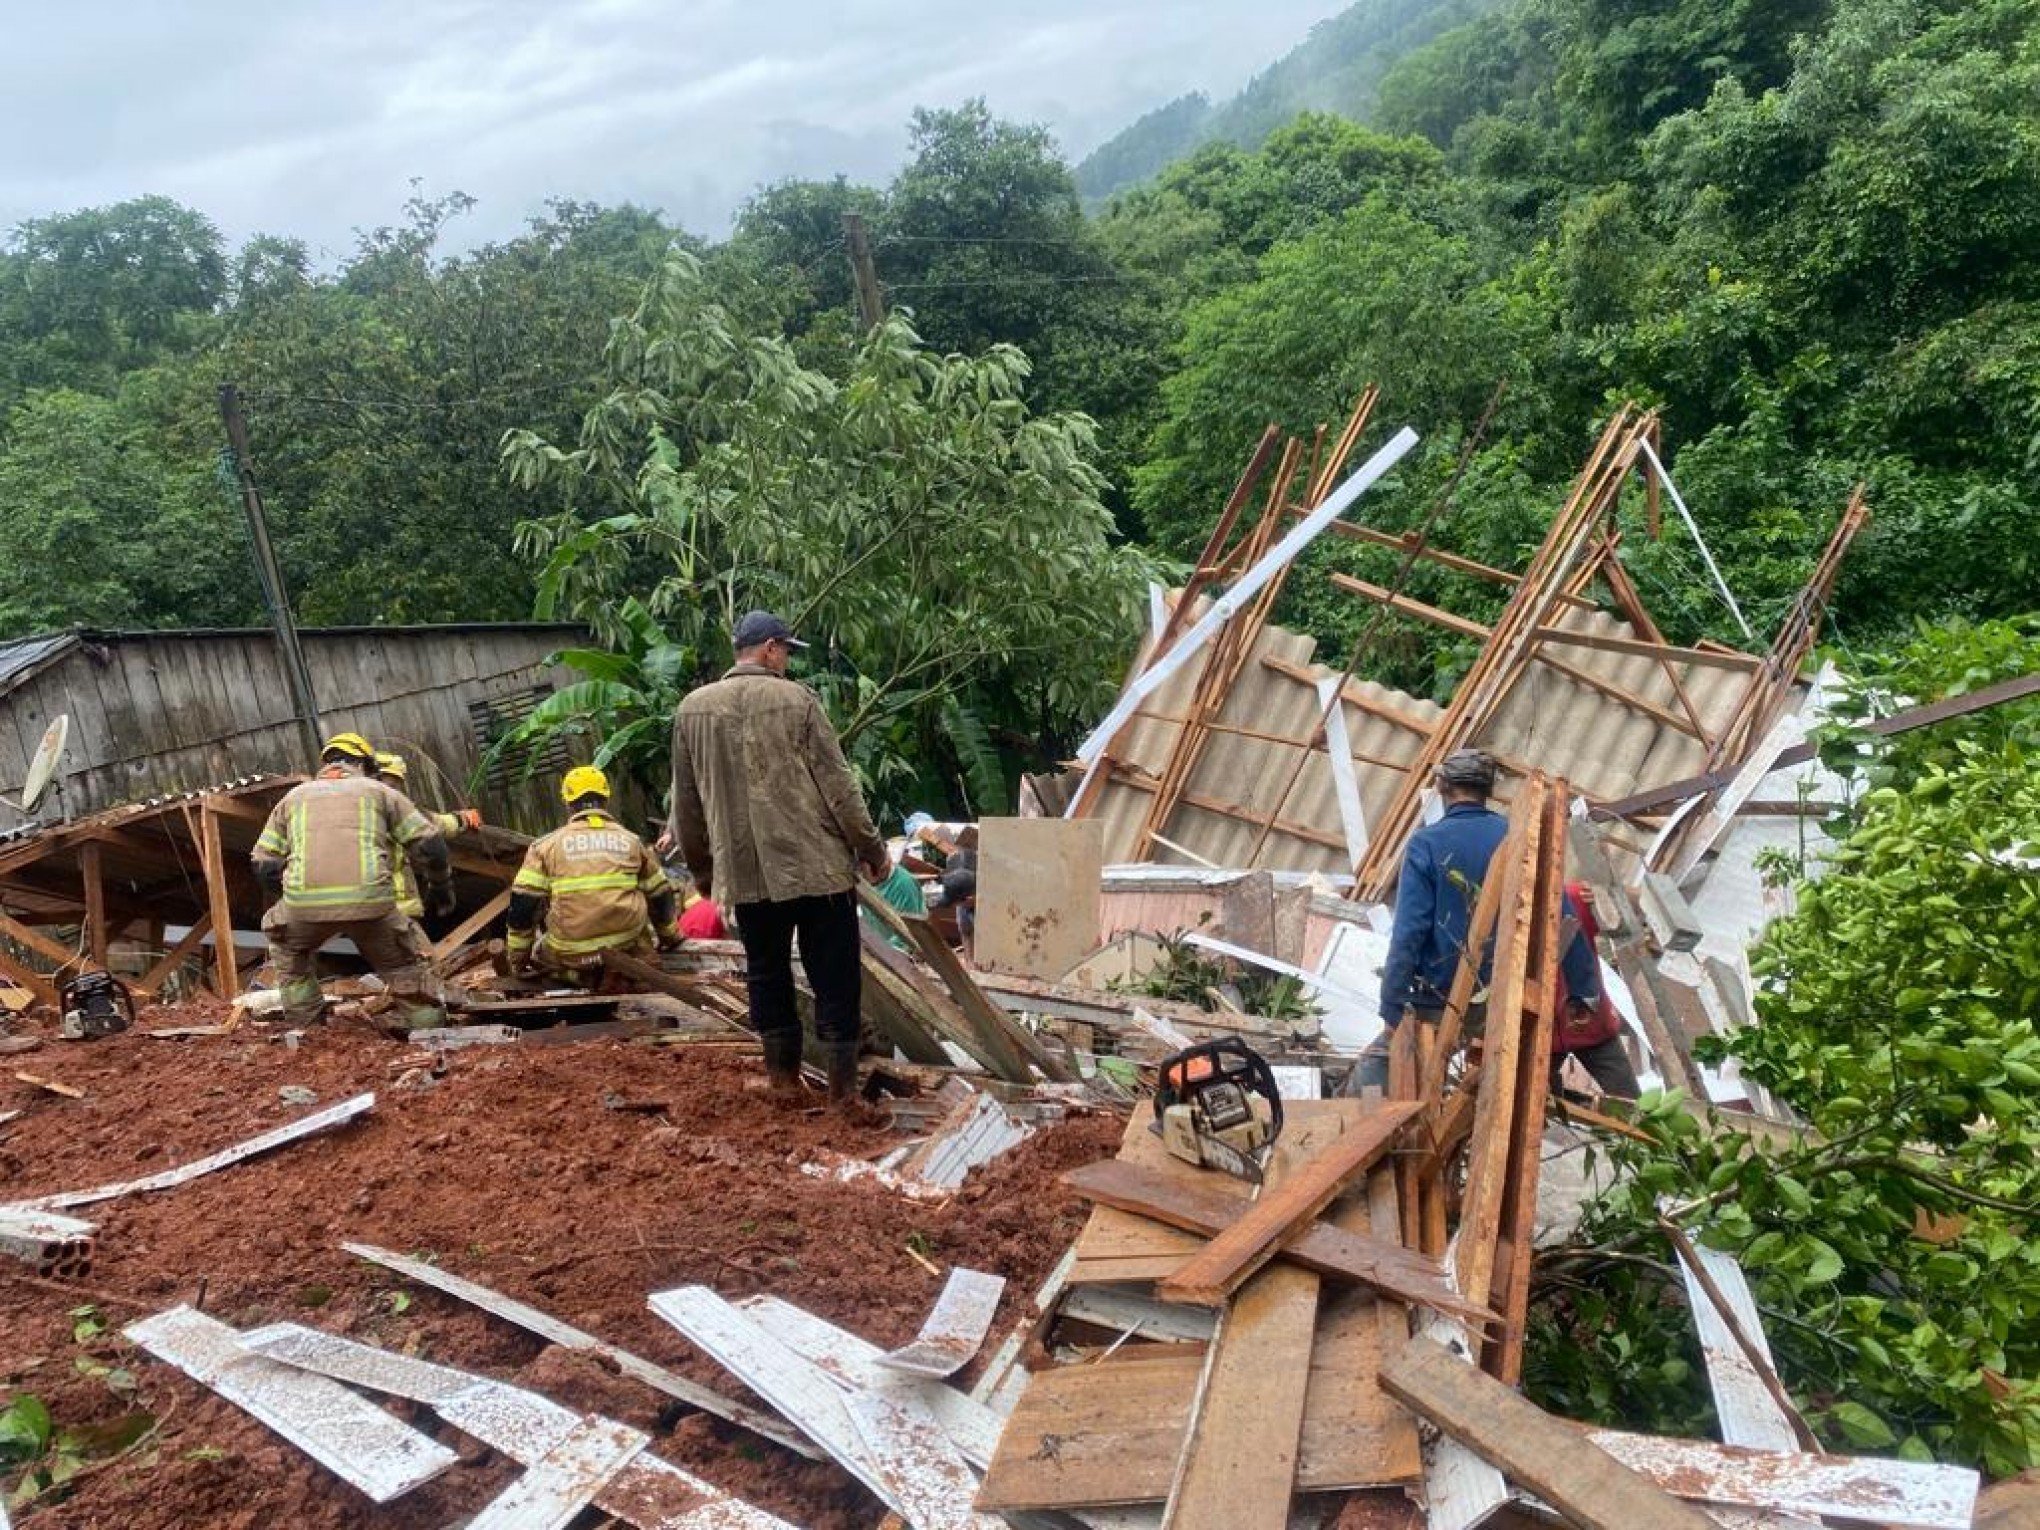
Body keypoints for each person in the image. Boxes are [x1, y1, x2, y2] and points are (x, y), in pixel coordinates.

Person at [668, 610, 889, 1110]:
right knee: (835, 975)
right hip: (818, 869)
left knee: (767, 972)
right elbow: (839, 787)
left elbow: (686, 806)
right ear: (770, 648)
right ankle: (842, 1094)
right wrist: (873, 849)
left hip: (746, 873)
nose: (787, 660)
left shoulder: (692, 710)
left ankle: (783, 1084)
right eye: (786, 651)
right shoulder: (798, 701)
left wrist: (706, 873)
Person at [1350, 748, 1602, 1093]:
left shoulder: (1427, 843)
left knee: (1377, 1073)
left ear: (1442, 786)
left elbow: (1410, 931)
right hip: (1505, 997)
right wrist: (1583, 993)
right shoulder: (1519, 840)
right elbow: (1563, 916)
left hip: (1440, 1000)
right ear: (1489, 790)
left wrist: (1392, 1004)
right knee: (1503, 1089)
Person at [251, 731, 453, 1032]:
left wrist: (291, 899)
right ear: (366, 766)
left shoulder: (293, 798)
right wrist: (440, 887)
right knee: (403, 968)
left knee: (289, 954)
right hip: (371, 905)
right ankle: (432, 1033)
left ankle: (307, 1030)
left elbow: (263, 863)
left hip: (303, 908)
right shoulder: (380, 792)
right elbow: (430, 844)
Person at [507, 766, 679, 979]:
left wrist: (517, 959)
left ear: (569, 804)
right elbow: (659, 893)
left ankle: (576, 977)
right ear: (606, 799)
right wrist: (669, 937)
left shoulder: (544, 847)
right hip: (625, 946)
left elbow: (523, 906)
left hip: (573, 952)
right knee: (642, 942)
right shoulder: (632, 841)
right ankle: (616, 972)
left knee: (541, 953)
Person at [372, 752, 482, 937]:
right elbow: (434, 826)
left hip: (352, 907)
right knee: (419, 961)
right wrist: (463, 819)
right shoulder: (396, 806)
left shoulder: (351, 808)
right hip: (395, 907)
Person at [1553, 881, 1642, 1102]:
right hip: (1543, 1037)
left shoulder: (1572, 897)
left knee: (1633, 1108)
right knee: (1534, 1108)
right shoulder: (1507, 918)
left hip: (1594, 1027)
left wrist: (1609, 895)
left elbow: (1640, 905)